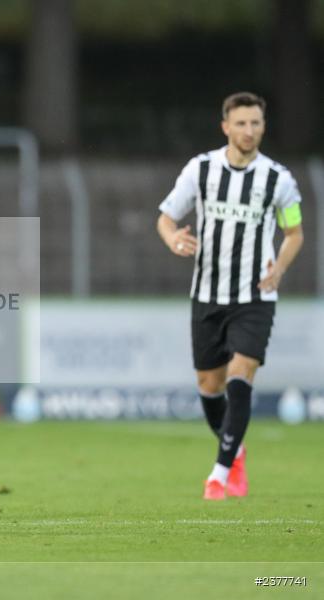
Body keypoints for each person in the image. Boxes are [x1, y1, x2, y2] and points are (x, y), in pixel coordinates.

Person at [157, 92, 304, 500]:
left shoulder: (278, 179)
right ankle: (234, 449)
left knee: (241, 374)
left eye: (255, 123)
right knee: (209, 383)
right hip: (207, 293)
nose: (248, 130)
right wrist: (173, 239)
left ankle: (219, 475)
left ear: (263, 126)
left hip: (255, 295)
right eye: (241, 123)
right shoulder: (201, 170)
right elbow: (166, 219)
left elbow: (294, 233)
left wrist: (279, 269)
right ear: (225, 126)